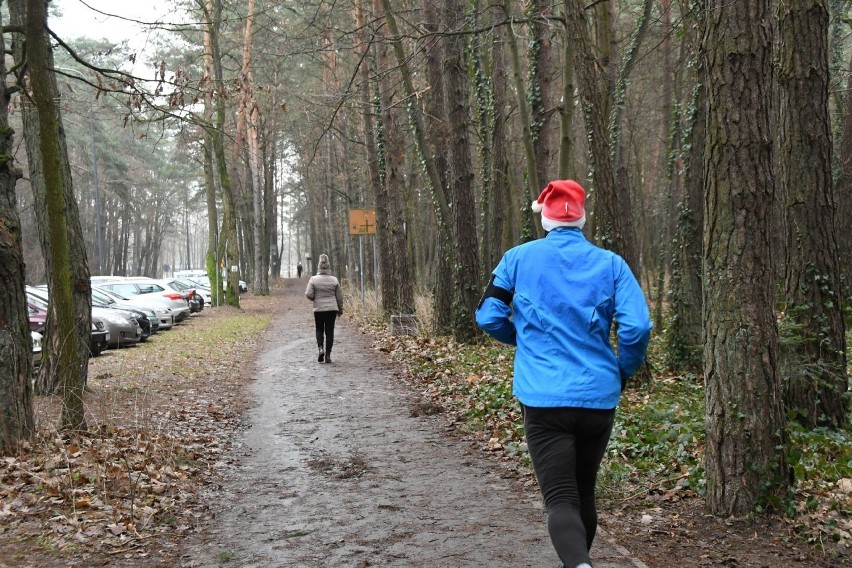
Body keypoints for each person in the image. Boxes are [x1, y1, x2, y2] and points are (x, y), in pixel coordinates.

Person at [475, 179, 652, 568]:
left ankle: (579, 564)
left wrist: (522, 339)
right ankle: (576, 561)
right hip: (598, 396)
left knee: (559, 498)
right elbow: (637, 327)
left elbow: (488, 315)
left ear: (545, 219)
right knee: (584, 492)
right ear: (582, 218)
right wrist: (622, 370)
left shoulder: (517, 259)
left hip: (544, 397)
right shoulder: (611, 264)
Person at [305, 254, 344, 364]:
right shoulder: (334, 280)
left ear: (318, 266)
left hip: (319, 309)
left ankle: (320, 348)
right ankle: (328, 355)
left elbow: (308, 294)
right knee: (330, 331)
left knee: (319, 329)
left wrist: (314, 298)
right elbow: (339, 297)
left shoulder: (313, 279)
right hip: (332, 309)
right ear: (328, 266)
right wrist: (340, 309)